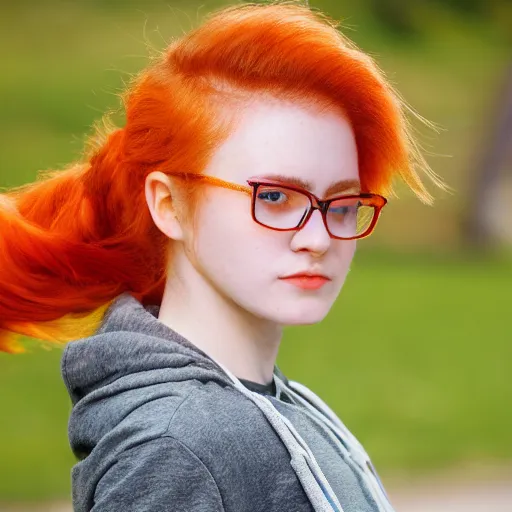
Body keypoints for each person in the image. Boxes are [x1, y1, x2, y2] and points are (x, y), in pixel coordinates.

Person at [0, 2, 444, 511]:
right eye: (275, 197)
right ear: (169, 205)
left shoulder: (273, 407)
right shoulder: (172, 448)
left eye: (340, 203)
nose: (318, 237)